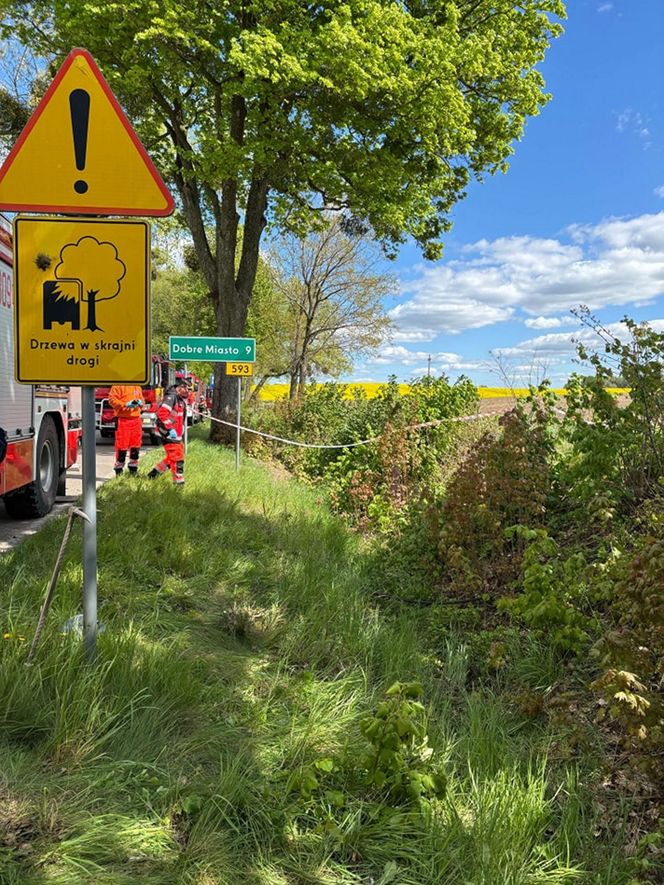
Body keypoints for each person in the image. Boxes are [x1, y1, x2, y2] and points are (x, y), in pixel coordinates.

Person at [147, 378, 190, 486]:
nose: (188, 391)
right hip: (168, 433)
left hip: (176, 435)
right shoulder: (171, 398)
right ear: (180, 387)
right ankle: (178, 484)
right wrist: (170, 429)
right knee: (177, 459)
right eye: (187, 389)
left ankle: (154, 474)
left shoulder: (179, 398)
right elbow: (161, 414)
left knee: (171, 458)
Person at [108, 384, 144, 476]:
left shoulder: (137, 386)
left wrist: (141, 402)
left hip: (136, 419)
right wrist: (125, 404)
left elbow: (142, 399)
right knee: (121, 446)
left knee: (136, 445)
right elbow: (112, 400)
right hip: (123, 419)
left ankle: (133, 470)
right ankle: (119, 470)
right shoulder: (118, 386)